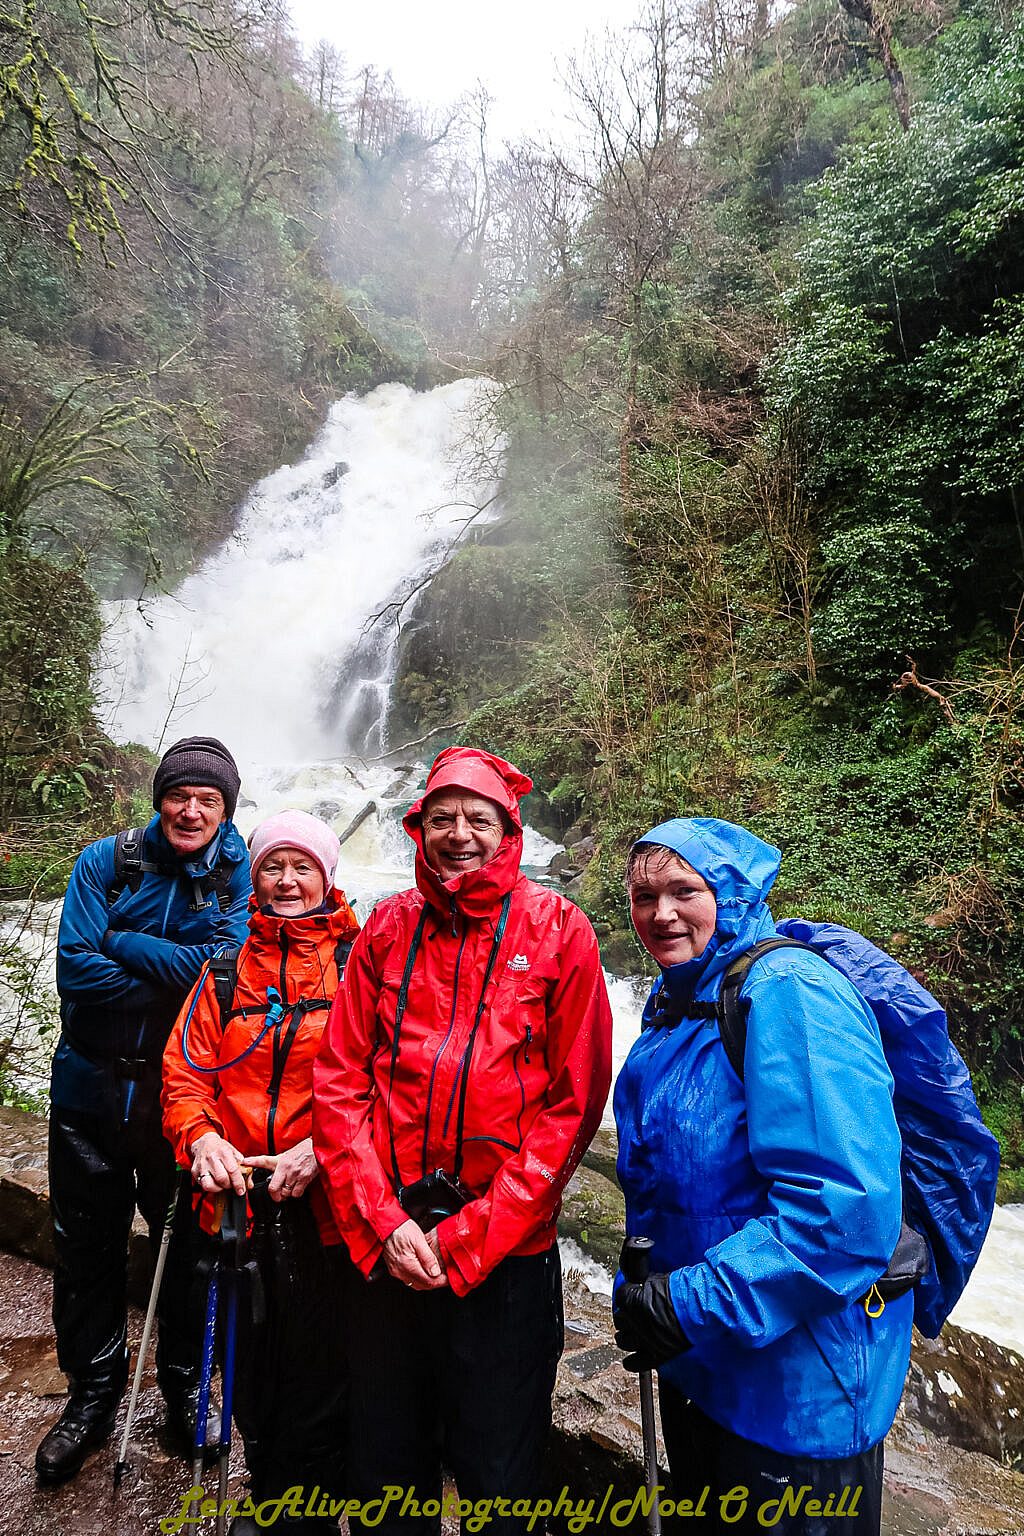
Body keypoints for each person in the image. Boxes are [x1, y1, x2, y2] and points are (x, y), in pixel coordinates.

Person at [313, 746, 613, 1535]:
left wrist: (472, 1237)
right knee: (385, 1460)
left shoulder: (560, 930)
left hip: (504, 1256)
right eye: (442, 817)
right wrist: (383, 1222)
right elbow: (341, 1082)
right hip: (391, 1241)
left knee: (499, 1470)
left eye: (477, 818)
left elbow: (572, 1105)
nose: (458, 834)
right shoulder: (387, 928)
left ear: (507, 830)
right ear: (418, 829)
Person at [612, 818, 913, 1536]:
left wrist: (680, 1305)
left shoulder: (788, 995)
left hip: (797, 1400)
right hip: (714, 1372)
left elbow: (841, 1217)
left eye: (685, 890)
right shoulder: (682, 1000)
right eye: (643, 895)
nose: (662, 913)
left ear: (734, 892)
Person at [37, 736, 252, 1485]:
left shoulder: (236, 872)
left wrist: (120, 942)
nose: (191, 810)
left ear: (227, 809)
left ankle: (186, 1388)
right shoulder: (106, 860)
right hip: (88, 1090)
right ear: (158, 797)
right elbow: (73, 970)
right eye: (179, 795)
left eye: (209, 800)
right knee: (85, 1252)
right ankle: (92, 1396)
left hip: (180, 1101)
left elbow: (225, 983)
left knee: (191, 1257)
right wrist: (173, 977)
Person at [163, 809, 359, 1532]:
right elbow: (185, 1073)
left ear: (327, 877)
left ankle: (304, 1506)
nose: (285, 879)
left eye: (301, 866)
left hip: (325, 1203)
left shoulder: (359, 966)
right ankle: (271, 1486)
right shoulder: (223, 970)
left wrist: (324, 1147)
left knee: (320, 1361)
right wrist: (202, 1139)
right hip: (237, 1198)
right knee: (248, 1363)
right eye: (273, 865)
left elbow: (380, 1077)